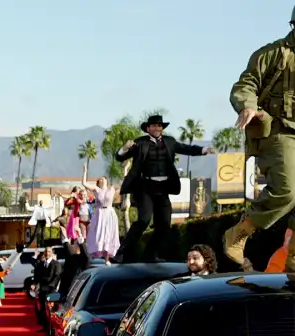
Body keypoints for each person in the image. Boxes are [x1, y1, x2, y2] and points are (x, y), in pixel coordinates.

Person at [223, 7, 295, 273]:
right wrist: (247, 105)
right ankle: (240, 232)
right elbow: (246, 84)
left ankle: (293, 258)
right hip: (278, 131)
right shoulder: (273, 53)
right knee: (287, 191)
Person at [114, 114, 213, 263]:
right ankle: (121, 253)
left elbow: (187, 148)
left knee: (164, 225)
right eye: (154, 125)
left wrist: (205, 149)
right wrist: (124, 148)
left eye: (159, 126)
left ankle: (150, 255)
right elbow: (120, 157)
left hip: (163, 188)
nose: (157, 128)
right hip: (146, 187)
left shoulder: (169, 142)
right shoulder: (140, 143)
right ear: (148, 128)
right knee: (143, 220)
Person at [80, 164, 120, 263]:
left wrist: (125, 169)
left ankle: (107, 258)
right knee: (98, 234)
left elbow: (124, 183)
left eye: (103, 179)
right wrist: (85, 171)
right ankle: (95, 255)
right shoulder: (97, 190)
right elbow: (84, 183)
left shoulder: (112, 188)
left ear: (106, 180)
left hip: (109, 213)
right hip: (100, 214)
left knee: (108, 234)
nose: (102, 180)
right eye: (100, 179)